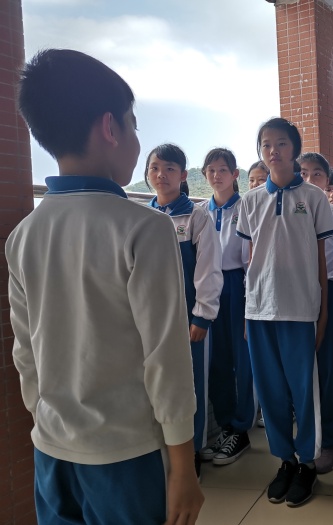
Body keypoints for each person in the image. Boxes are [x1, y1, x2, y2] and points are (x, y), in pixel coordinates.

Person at [8, 48, 204, 524]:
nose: (137, 139)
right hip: (125, 455)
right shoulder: (145, 228)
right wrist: (183, 466)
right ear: (110, 128)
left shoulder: (24, 234)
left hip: (51, 450)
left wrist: (47, 419)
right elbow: (166, 357)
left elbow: (25, 352)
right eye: (133, 125)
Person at [236, 118, 333, 507]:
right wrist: (248, 312)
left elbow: (322, 261)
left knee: (303, 391)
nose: (273, 150)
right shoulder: (250, 201)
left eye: (280, 143)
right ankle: (285, 460)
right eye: (266, 144)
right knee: (271, 391)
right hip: (260, 310)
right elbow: (250, 261)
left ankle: (307, 462)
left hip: (301, 310)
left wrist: (323, 314)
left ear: (294, 149)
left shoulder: (314, 198)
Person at [146, 144, 224, 478]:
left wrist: (202, 315)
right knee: (157, 384)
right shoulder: (143, 218)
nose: (161, 175)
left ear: (182, 175)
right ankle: (164, 450)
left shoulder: (196, 216)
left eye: (169, 168)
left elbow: (209, 270)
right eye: (154, 168)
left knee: (193, 385)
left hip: (189, 320)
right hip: (152, 323)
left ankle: (193, 451)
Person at [198, 148, 255, 466]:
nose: (216, 175)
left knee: (242, 359)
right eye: (210, 170)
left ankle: (242, 428)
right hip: (210, 287)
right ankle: (226, 425)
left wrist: (250, 299)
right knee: (217, 361)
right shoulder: (200, 211)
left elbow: (251, 257)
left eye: (222, 170)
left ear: (235, 175)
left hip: (238, 284)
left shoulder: (246, 206)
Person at [299, 152, 333, 474]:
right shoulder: (292, 211)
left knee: (329, 370)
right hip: (298, 292)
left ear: (327, 181)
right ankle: (307, 439)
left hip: (332, 288)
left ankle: (331, 442)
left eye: (317, 174)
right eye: (303, 173)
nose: (309, 180)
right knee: (303, 371)